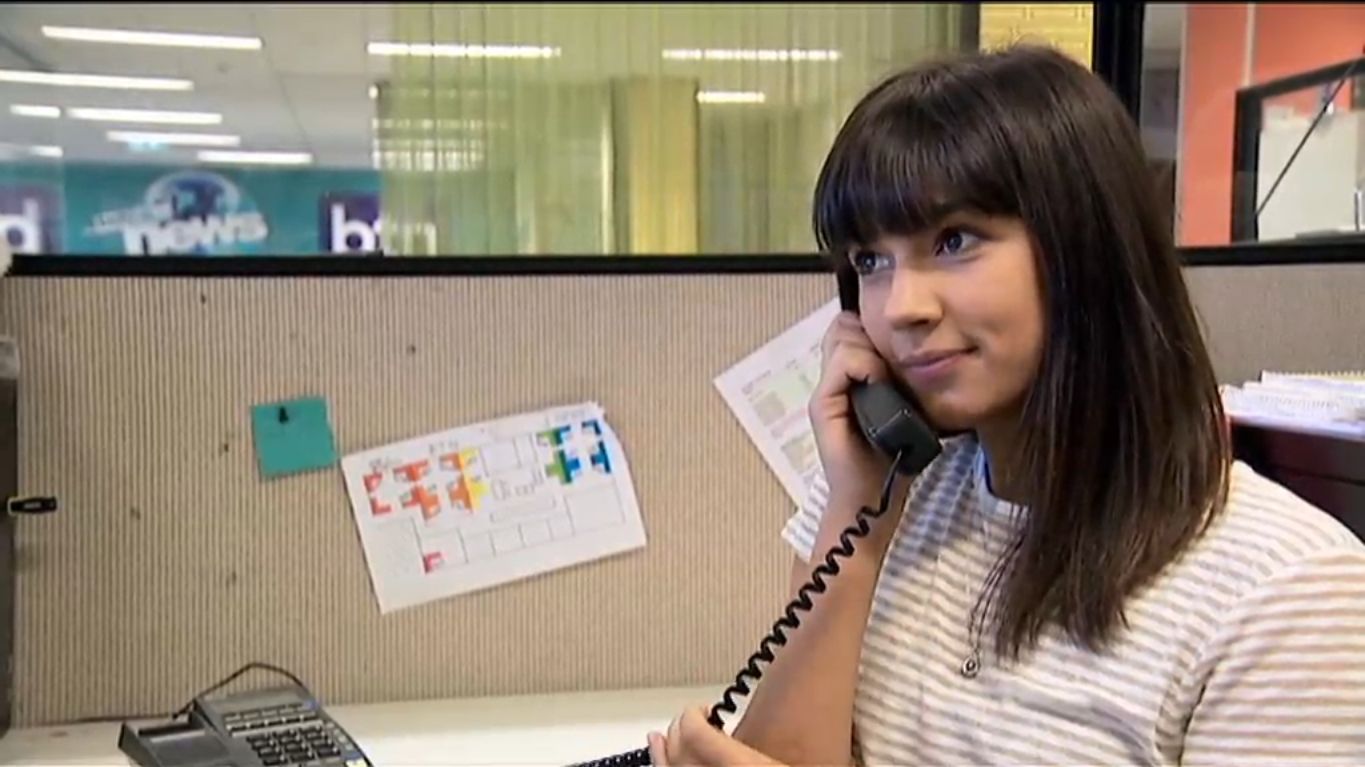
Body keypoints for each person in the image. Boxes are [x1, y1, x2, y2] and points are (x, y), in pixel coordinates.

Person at [646, 44, 1365, 766]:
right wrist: (858, 518)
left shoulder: (1287, 589)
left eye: (953, 240)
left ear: (1086, 247)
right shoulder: (874, 499)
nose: (899, 307)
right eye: (870, 261)